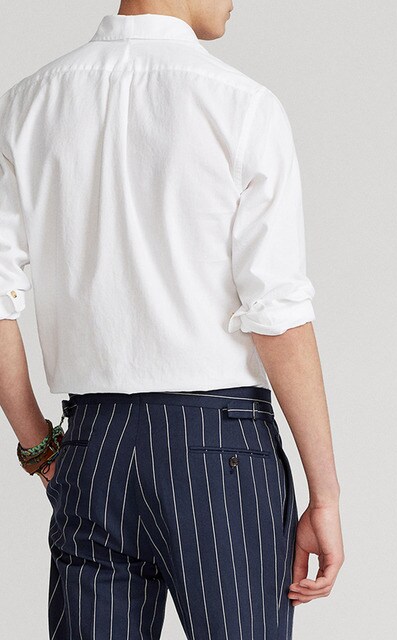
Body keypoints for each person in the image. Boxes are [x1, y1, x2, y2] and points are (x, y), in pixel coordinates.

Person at [0, 1, 344, 638]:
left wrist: (37, 443)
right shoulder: (240, 105)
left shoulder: (29, 104)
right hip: (218, 452)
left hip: (93, 448)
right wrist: (324, 494)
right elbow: (276, 314)